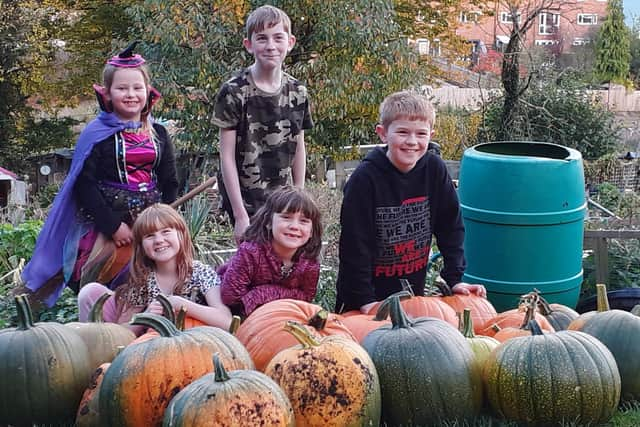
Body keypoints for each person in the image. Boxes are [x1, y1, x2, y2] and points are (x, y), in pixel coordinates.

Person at [22, 42, 179, 307]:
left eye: (137, 87)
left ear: (148, 92)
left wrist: (163, 221)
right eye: (122, 88)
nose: (131, 94)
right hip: (108, 229)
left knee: (153, 283)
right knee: (109, 288)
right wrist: (113, 226)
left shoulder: (159, 134)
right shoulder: (96, 135)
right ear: (107, 94)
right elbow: (85, 184)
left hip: (150, 227)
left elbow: (170, 181)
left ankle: (149, 329)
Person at [335, 90, 486, 314]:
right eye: (403, 132)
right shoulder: (364, 180)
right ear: (383, 134)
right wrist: (365, 300)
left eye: (421, 134)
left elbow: (451, 227)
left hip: (411, 296)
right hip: (363, 301)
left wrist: (454, 278)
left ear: (430, 135)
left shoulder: (434, 170)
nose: (412, 142)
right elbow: (355, 245)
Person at [212, 4, 313, 243]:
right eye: (262, 39)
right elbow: (225, 155)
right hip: (244, 199)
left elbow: (298, 145)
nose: (270, 46)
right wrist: (239, 215)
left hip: (281, 199)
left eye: (278, 38)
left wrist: (299, 195)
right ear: (249, 45)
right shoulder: (234, 91)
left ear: (290, 42)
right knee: (252, 264)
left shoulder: (297, 91)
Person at [77, 203, 231, 334]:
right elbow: (123, 331)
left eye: (166, 232)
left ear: (182, 235)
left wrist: (181, 305)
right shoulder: (143, 280)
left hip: (200, 343)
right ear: (141, 246)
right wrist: (146, 316)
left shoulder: (200, 273)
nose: (159, 240)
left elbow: (227, 322)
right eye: (150, 236)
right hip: (156, 352)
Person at [218, 186, 323, 317]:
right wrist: (284, 296)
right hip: (233, 319)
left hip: (280, 317)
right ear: (268, 221)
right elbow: (231, 297)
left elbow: (306, 299)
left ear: (312, 231)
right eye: (286, 217)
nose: (294, 226)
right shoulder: (250, 252)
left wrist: (261, 293)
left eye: (303, 221)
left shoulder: (310, 264)